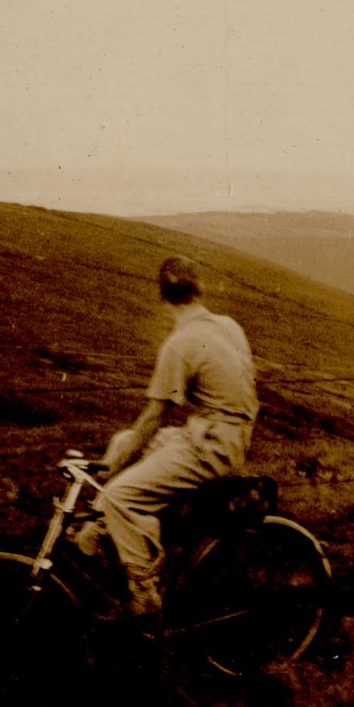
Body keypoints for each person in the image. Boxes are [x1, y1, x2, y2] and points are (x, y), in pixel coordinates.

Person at [84, 256, 259, 622]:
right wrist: (123, 454)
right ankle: (102, 532)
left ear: (161, 298)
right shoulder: (227, 326)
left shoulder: (180, 344)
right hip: (229, 436)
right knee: (122, 441)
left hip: (211, 445)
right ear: (199, 290)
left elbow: (154, 416)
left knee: (118, 494)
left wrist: (109, 470)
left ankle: (144, 589)